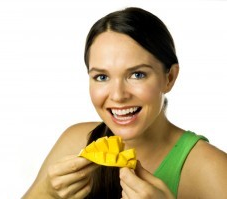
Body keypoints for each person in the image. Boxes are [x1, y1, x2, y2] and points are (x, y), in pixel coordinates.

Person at [22, 7, 227, 199]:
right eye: (102, 77)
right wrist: (46, 191)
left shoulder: (213, 169)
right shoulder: (75, 141)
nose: (118, 95)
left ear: (169, 77)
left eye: (137, 74)